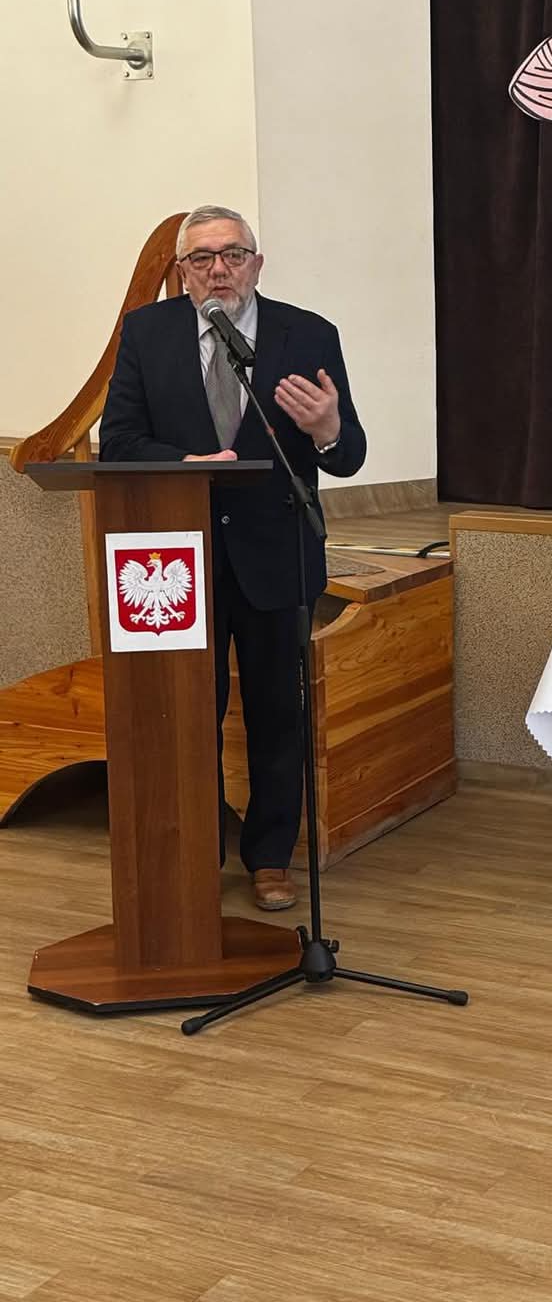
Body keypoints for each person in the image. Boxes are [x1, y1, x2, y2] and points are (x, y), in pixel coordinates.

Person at [99, 205, 366, 910]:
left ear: (257, 264)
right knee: (189, 712)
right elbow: (118, 440)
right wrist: (185, 465)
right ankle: (195, 852)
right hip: (175, 561)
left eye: (233, 254)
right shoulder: (146, 333)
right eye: (202, 257)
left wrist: (329, 428)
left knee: (278, 713)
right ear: (182, 271)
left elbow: (348, 455)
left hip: (277, 553)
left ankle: (270, 858)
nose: (219, 269)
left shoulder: (308, 334)